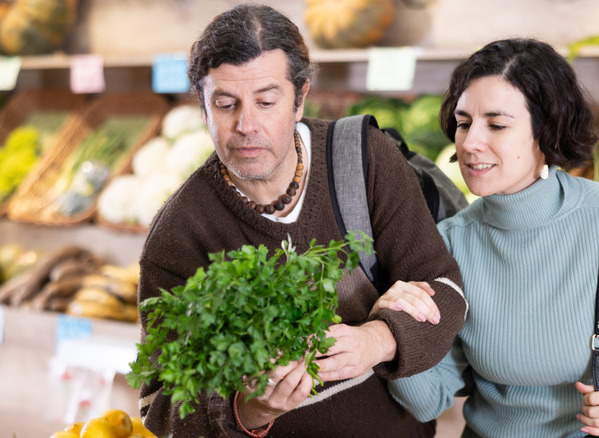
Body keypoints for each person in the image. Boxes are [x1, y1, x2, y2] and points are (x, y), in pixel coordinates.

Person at [372, 38, 599, 437]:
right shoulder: (449, 244)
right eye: (463, 123)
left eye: (496, 124)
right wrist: (389, 329)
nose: (470, 143)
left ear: (547, 131)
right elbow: (429, 399)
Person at [136, 3, 467, 437]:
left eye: (267, 101)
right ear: (202, 107)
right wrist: (246, 410)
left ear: (300, 97)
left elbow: (445, 289)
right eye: (225, 103)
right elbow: (159, 405)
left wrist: (377, 340)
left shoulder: (364, 160)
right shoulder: (179, 235)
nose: (246, 125)